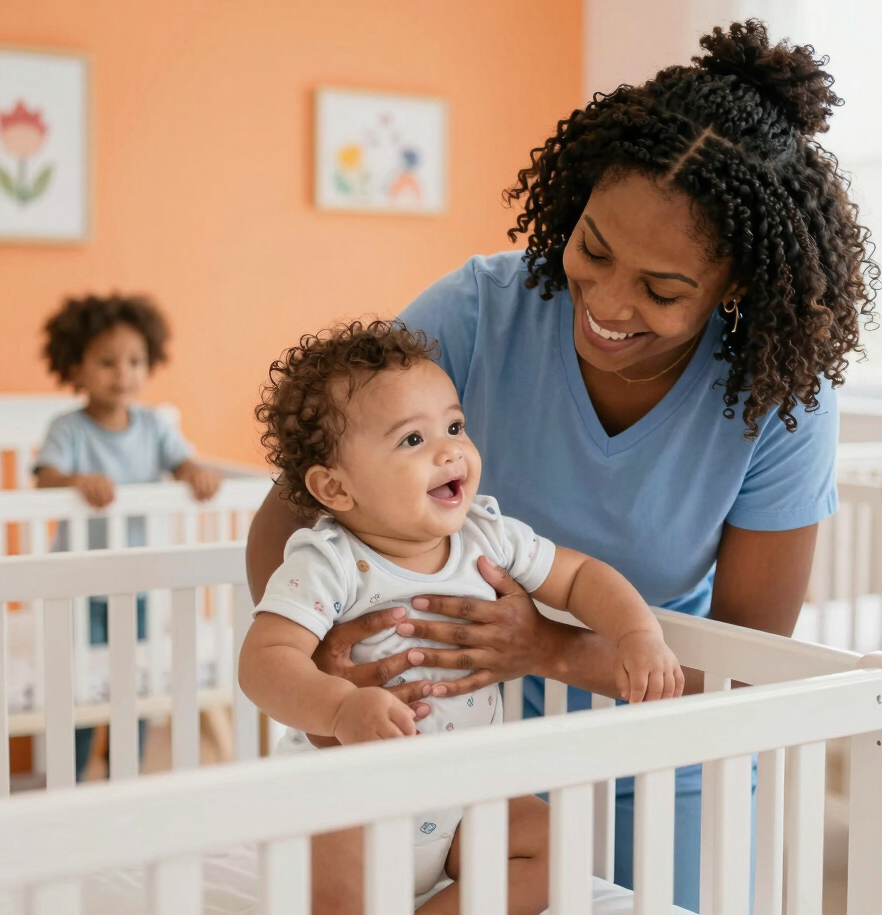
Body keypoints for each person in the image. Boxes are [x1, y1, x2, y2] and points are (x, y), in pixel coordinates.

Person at [246, 19, 877, 909]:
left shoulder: (779, 399)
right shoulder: (480, 311)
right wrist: (322, 669)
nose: (608, 305)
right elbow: (296, 501)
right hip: (466, 743)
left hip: (664, 736)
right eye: (593, 248)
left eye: (662, 291)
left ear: (736, 286)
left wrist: (548, 648)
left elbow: (749, 658)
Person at [238, 320, 683, 914]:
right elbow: (264, 663)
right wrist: (340, 708)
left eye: (454, 426)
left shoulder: (489, 537)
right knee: (338, 892)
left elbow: (578, 577)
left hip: (464, 792)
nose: (450, 449)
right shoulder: (330, 563)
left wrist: (637, 632)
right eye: (412, 441)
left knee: (560, 845)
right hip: (350, 793)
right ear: (336, 488)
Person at [34, 293, 222, 779]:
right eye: (106, 361)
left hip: (136, 581)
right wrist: (75, 482)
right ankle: (68, 776)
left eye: (135, 361)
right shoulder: (68, 429)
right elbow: (44, 476)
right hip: (76, 581)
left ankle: (125, 772)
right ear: (74, 367)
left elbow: (184, 462)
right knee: (78, 686)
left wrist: (193, 473)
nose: (123, 373)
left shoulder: (155, 426)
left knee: (131, 683)